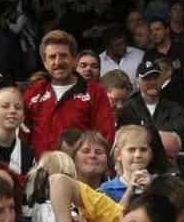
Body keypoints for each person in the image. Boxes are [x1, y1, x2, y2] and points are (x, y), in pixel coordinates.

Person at [23, 30, 115, 158]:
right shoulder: (34, 92)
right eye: (52, 57)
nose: (58, 62)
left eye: (63, 56)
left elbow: (105, 135)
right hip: (41, 171)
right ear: (44, 63)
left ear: (73, 59)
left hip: (80, 173)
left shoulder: (94, 91)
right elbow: (23, 134)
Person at [116, 58, 184, 145]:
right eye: (147, 79)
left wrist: (143, 131)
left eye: (156, 78)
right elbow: (124, 134)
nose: (152, 82)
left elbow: (181, 129)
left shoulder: (175, 107)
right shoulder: (127, 107)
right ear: (137, 81)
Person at [0, 86, 33, 176]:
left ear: (23, 116)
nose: (12, 111)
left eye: (18, 107)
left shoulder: (27, 153)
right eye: (5, 106)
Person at [99, 125, 155, 203]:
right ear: (118, 154)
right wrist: (129, 191)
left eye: (143, 149)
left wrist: (152, 190)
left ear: (150, 154)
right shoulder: (107, 189)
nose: (138, 155)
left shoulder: (159, 183)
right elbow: (114, 215)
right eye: (131, 150)